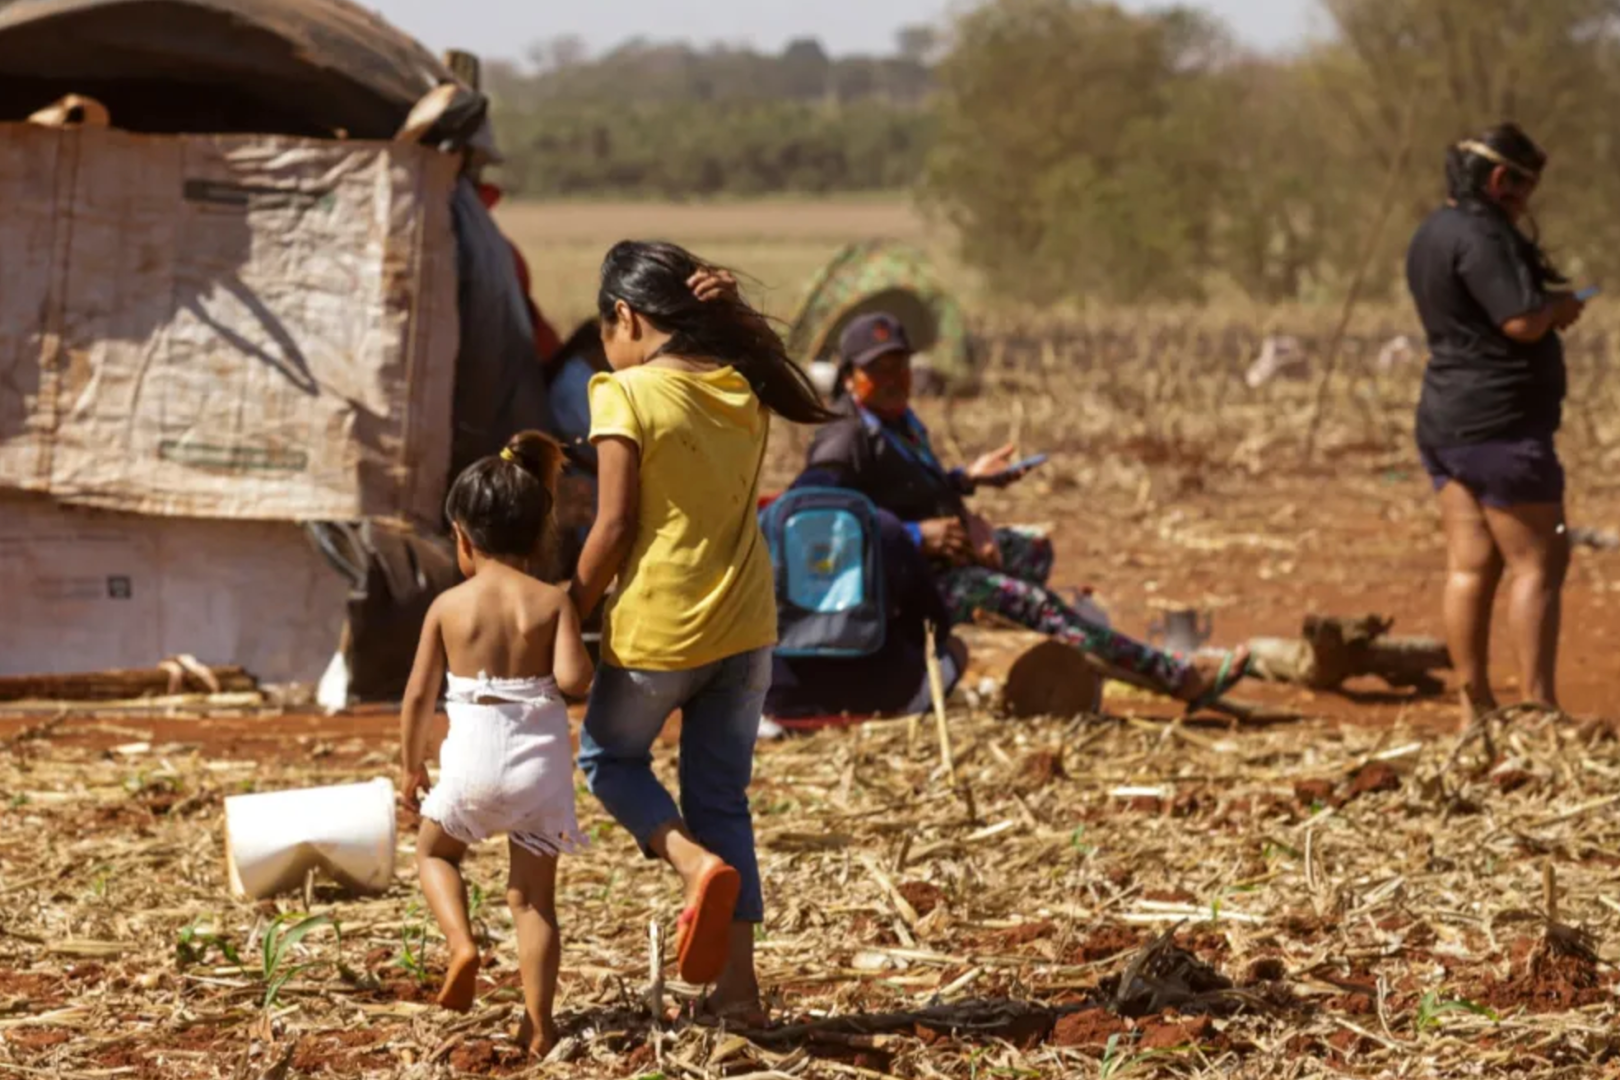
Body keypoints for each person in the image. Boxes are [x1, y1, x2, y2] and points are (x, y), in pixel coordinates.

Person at [570, 241, 834, 1021]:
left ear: (625, 314)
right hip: (747, 625)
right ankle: (739, 996)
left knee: (609, 759)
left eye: (606, 329)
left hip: (658, 628)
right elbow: (789, 381)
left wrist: (566, 607)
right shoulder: (741, 382)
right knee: (721, 796)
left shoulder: (623, 392)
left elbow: (614, 526)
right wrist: (742, 320)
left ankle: (690, 866)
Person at [803, 313, 1247, 708]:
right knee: (1032, 600)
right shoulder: (843, 440)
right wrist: (918, 536)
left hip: (936, 560)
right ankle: (1178, 676)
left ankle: (1029, 621)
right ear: (847, 378)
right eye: (877, 369)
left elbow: (900, 491)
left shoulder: (897, 422)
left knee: (1034, 552)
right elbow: (818, 523)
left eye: (900, 365)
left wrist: (964, 484)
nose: (893, 377)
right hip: (899, 593)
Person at [399, 431, 593, 1057]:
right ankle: (539, 1024)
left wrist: (411, 768)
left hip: (472, 764)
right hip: (540, 767)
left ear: (462, 538)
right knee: (533, 899)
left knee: (436, 856)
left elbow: (416, 699)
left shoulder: (448, 607)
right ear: (540, 533)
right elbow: (572, 681)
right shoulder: (553, 602)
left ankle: (462, 945)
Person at [1406, 124, 1583, 725]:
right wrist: (1558, 309)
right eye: (1525, 187)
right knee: (1540, 563)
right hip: (1500, 425)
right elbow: (1520, 322)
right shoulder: (1483, 236)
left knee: (1470, 564)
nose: (1527, 203)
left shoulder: (1432, 231)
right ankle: (1539, 710)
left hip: (1446, 421)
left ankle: (1472, 707)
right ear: (1502, 180)